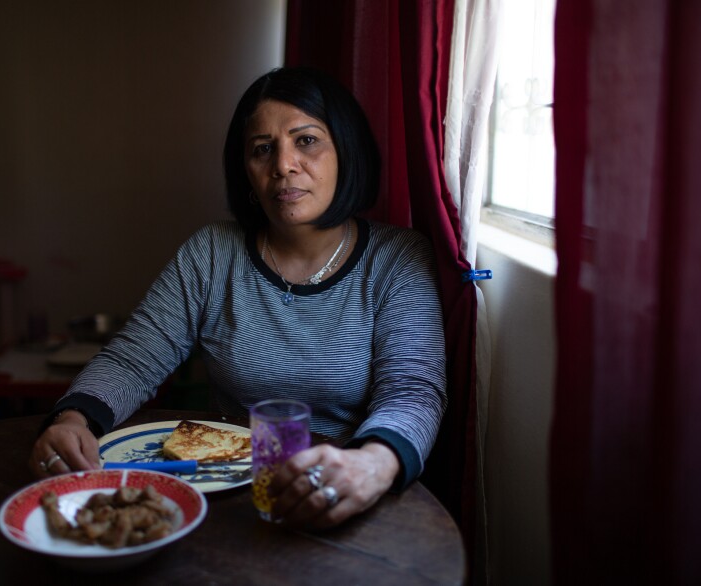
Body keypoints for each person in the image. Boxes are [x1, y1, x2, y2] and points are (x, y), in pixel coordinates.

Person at [29, 66, 447, 529]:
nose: (283, 165)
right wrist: (72, 419)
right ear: (245, 170)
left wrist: (373, 464)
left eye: (306, 140)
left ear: (346, 151)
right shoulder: (212, 251)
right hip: (229, 493)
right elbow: (134, 360)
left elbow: (412, 392)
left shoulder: (397, 259)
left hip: (345, 492)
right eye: (262, 149)